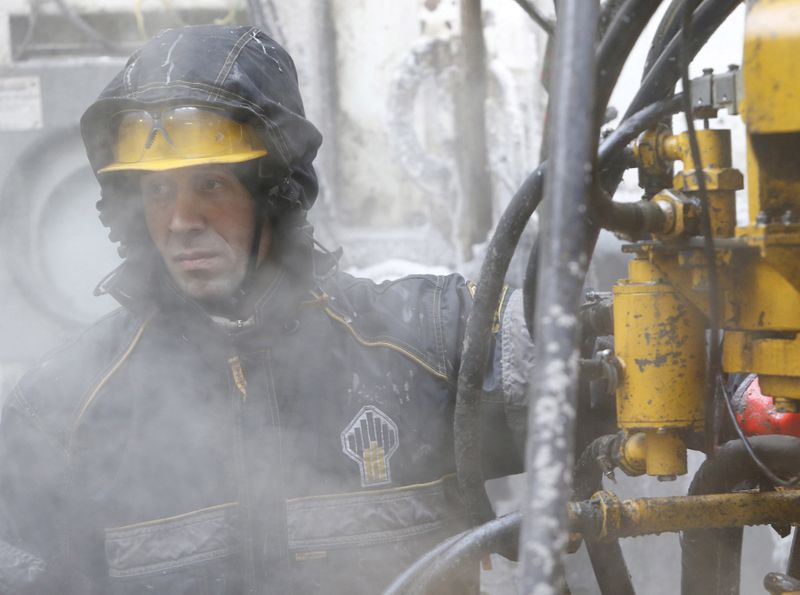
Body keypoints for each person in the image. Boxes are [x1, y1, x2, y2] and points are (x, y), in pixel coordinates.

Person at [0, 25, 533, 594]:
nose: (180, 221)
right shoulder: (61, 412)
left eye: (209, 184)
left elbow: (608, 383)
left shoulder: (431, 346)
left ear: (276, 193)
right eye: (156, 192)